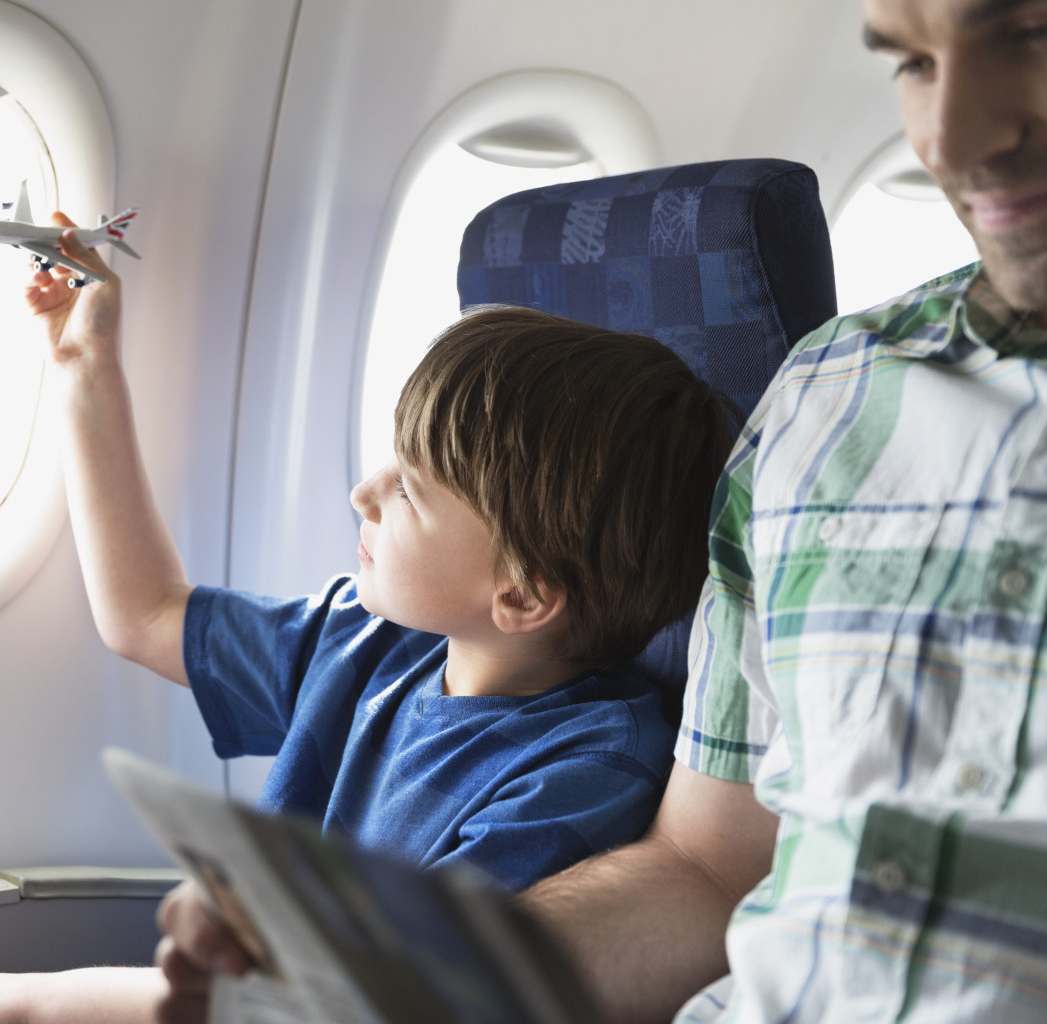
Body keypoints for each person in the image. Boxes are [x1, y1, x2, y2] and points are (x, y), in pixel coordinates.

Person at [154, 0, 1047, 1021]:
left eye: (1028, 34)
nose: (950, 138)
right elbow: (706, 872)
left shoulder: (583, 758)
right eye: (914, 63)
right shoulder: (825, 400)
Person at [0, 214, 735, 1023]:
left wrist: (40, 1000)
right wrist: (85, 367)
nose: (363, 493)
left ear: (521, 595)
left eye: (407, 490)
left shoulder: (580, 779)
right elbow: (146, 614)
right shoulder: (370, 644)